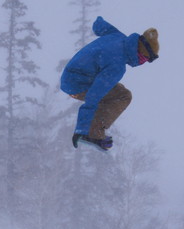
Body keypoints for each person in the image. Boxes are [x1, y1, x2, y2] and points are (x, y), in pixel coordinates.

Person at [60, 16, 159, 151]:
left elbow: (99, 25)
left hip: (73, 74)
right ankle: (93, 134)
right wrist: (81, 129)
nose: (141, 64)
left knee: (117, 90)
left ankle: (92, 129)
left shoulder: (118, 37)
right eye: (144, 60)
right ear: (140, 53)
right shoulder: (116, 66)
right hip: (75, 85)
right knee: (123, 96)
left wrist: (96, 22)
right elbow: (93, 96)